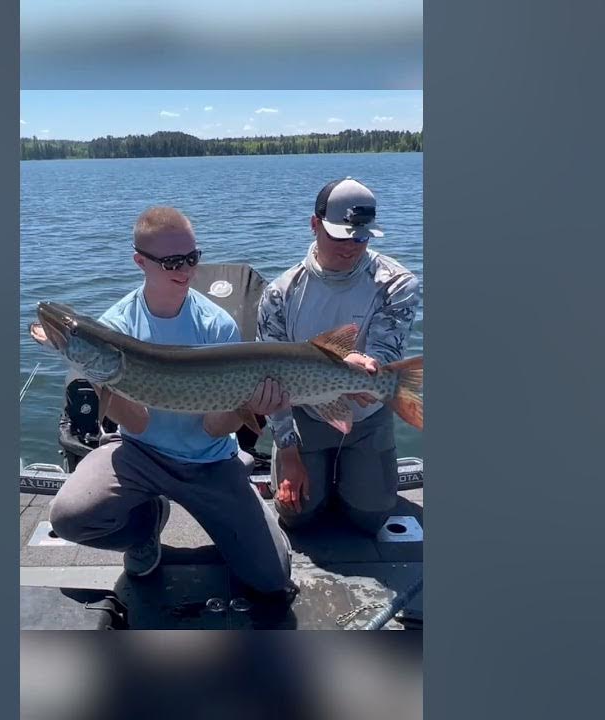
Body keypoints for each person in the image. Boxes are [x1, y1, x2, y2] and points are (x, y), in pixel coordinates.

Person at [48, 206, 294, 596]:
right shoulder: (117, 326)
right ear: (140, 262)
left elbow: (213, 427)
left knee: (272, 578)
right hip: (140, 453)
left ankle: (245, 503)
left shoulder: (217, 325)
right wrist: (97, 376)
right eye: (172, 262)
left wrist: (251, 407)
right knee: (68, 518)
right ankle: (144, 528)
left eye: (192, 258)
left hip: (210, 460)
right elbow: (138, 423)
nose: (186, 269)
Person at [257, 177, 421, 535]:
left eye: (360, 238)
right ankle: (322, 475)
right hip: (306, 415)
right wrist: (288, 453)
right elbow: (271, 382)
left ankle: (349, 478)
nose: (350, 248)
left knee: (370, 519)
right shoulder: (279, 294)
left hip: (367, 418)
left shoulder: (398, 283)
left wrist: (371, 368)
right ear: (314, 224)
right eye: (340, 237)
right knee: (297, 517)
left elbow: (384, 351)